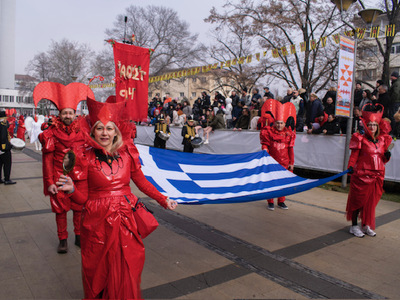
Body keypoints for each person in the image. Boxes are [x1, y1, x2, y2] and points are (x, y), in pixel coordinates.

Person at [57, 98, 178, 299]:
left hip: (125, 219)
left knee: (129, 265)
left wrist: (162, 199)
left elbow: (141, 182)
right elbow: (83, 199)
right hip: (97, 222)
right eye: (100, 128)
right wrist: (71, 190)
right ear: (93, 131)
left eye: (109, 128)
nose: (105, 133)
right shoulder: (84, 156)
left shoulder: (129, 152)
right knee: (99, 271)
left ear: (116, 131)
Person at [34, 81, 93, 254]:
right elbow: (47, 160)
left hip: (80, 177)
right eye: (65, 112)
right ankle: (63, 240)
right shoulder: (51, 134)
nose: (68, 115)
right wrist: (49, 182)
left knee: (79, 209)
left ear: (75, 114)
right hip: (59, 177)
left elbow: (94, 148)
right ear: (59, 114)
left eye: (71, 112)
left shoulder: (83, 132)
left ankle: (79, 237)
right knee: (60, 210)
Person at [346, 104, 392, 238]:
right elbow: (354, 155)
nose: (372, 127)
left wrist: (386, 157)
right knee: (357, 201)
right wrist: (350, 167)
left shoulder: (382, 141)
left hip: (377, 176)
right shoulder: (359, 138)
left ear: (378, 126)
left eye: (374, 125)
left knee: (371, 203)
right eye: (370, 124)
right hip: (361, 175)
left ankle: (366, 224)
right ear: (366, 125)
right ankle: (354, 226)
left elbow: (382, 159)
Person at [259, 99, 296, 210]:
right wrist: (265, 150)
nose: (279, 125)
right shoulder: (268, 132)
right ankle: (270, 201)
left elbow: (290, 149)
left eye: (281, 123)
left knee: (283, 183)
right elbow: (265, 144)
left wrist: (291, 163)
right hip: (272, 161)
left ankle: (281, 201)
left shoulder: (289, 134)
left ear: (284, 123)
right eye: (277, 123)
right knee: (271, 182)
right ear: (274, 123)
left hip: (284, 163)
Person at [0, 111, 17, 185]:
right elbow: (3, 138)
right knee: (7, 165)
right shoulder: (2, 126)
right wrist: (4, 148)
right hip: (4, 149)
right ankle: (7, 179)